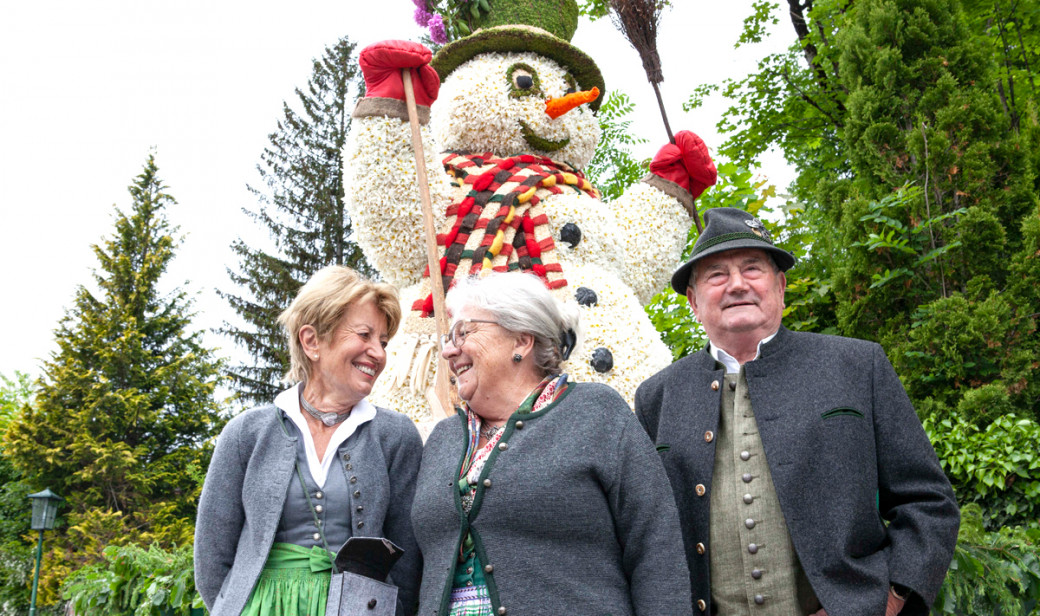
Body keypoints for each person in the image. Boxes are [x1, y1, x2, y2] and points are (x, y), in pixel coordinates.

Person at [635, 207, 961, 616]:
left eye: (752, 269)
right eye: (716, 275)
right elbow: (645, 536)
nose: (737, 285)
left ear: (781, 286)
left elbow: (929, 502)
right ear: (694, 302)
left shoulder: (856, 365)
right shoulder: (656, 397)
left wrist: (888, 601)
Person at [410, 272, 693, 616]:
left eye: (463, 333)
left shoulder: (596, 412)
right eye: (448, 338)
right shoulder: (443, 439)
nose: (448, 350)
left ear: (521, 341)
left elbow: (655, 546)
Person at [194, 266, 422, 616]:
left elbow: (407, 560)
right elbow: (212, 559)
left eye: (383, 341)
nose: (377, 353)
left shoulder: (395, 436)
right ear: (312, 341)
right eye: (364, 335)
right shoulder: (247, 434)